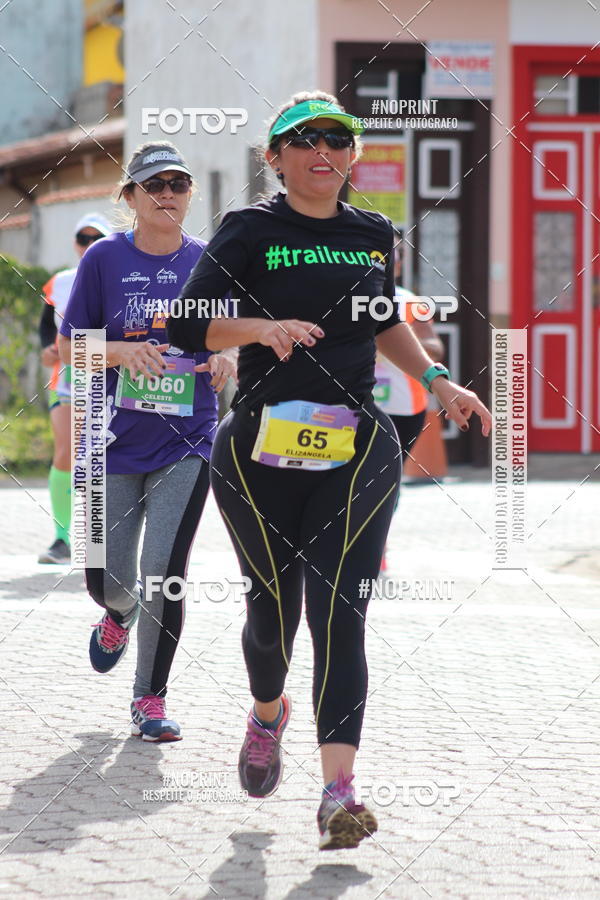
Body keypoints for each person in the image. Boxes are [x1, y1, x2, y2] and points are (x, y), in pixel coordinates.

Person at [167, 91, 491, 847]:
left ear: (352, 155)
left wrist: (440, 382)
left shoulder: (373, 231)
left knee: (342, 615)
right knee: (271, 612)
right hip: (257, 450)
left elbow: (383, 323)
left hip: (357, 447)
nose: (325, 151)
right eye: (304, 140)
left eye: (339, 139)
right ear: (275, 158)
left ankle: (339, 794)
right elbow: (186, 324)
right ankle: (267, 712)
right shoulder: (250, 230)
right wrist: (262, 328)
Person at [58, 141, 236, 742]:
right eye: (153, 185)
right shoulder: (104, 259)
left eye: (178, 184)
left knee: (165, 572)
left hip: (187, 439)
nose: (167, 195)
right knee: (105, 574)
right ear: (129, 197)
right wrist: (119, 350)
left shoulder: (209, 261)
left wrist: (227, 357)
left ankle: (149, 699)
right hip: (109, 441)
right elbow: (69, 349)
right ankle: (119, 611)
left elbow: (228, 335)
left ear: (190, 194)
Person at [38, 213, 111, 564]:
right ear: (74, 243)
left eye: (98, 238)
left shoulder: (120, 276)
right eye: (84, 238)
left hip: (111, 377)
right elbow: (44, 325)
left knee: (101, 459)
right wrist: (46, 349)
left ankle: (100, 539)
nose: (90, 244)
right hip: (67, 378)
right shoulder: (61, 282)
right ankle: (62, 538)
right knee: (67, 451)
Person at [373, 234, 445, 569]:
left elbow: (435, 350)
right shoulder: (344, 297)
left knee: (388, 478)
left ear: (399, 263)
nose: (386, 261)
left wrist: (395, 336)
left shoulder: (409, 302)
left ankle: (377, 542)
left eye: (393, 256)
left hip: (403, 408)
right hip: (353, 404)